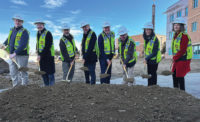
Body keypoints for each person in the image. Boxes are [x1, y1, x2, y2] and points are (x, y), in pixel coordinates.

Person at [2, 15, 29, 87]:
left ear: (22, 22)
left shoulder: (24, 32)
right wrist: (3, 44)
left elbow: (23, 45)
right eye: (16, 20)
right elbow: (8, 39)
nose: (17, 22)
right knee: (13, 72)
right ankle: (15, 88)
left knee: (23, 72)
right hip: (11, 55)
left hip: (22, 55)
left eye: (19, 21)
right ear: (14, 21)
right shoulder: (12, 30)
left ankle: (24, 88)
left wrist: (14, 53)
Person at [171, 18, 192, 91]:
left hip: (182, 59)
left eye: (178, 25)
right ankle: (176, 91)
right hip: (177, 59)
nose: (176, 26)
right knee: (174, 75)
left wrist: (175, 58)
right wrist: (174, 58)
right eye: (175, 25)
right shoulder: (175, 35)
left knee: (180, 76)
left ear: (182, 26)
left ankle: (182, 93)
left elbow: (183, 50)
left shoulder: (184, 36)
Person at [35, 20, 55, 86]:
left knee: (50, 73)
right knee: (43, 73)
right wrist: (37, 53)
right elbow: (37, 44)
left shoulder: (48, 33)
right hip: (42, 57)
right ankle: (46, 86)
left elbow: (48, 45)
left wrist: (40, 55)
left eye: (40, 25)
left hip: (49, 56)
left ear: (43, 25)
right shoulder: (38, 33)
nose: (39, 26)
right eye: (38, 25)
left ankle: (52, 87)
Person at [143, 22, 161, 86]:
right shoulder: (146, 39)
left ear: (151, 30)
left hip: (154, 60)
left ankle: (153, 87)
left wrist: (146, 58)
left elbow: (154, 52)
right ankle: (149, 86)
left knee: (153, 75)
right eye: (146, 29)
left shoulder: (155, 39)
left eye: (149, 29)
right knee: (149, 74)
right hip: (149, 60)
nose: (147, 31)